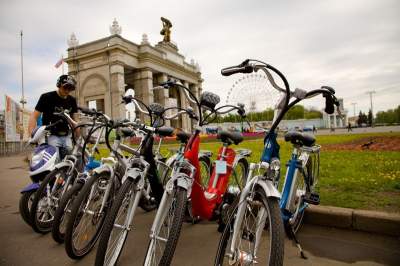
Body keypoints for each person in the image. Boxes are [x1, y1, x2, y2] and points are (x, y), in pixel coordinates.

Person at [28, 74, 79, 160]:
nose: (67, 91)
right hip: (50, 136)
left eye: (70, 88)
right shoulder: (46, 97)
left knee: (69, 163)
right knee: (55, 162)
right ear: (59, 85)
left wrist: (78, 138)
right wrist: (32, 134)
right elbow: (34, 116)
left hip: (67, 136)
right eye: (65, 87)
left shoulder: (72, 100)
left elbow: (75, 120)